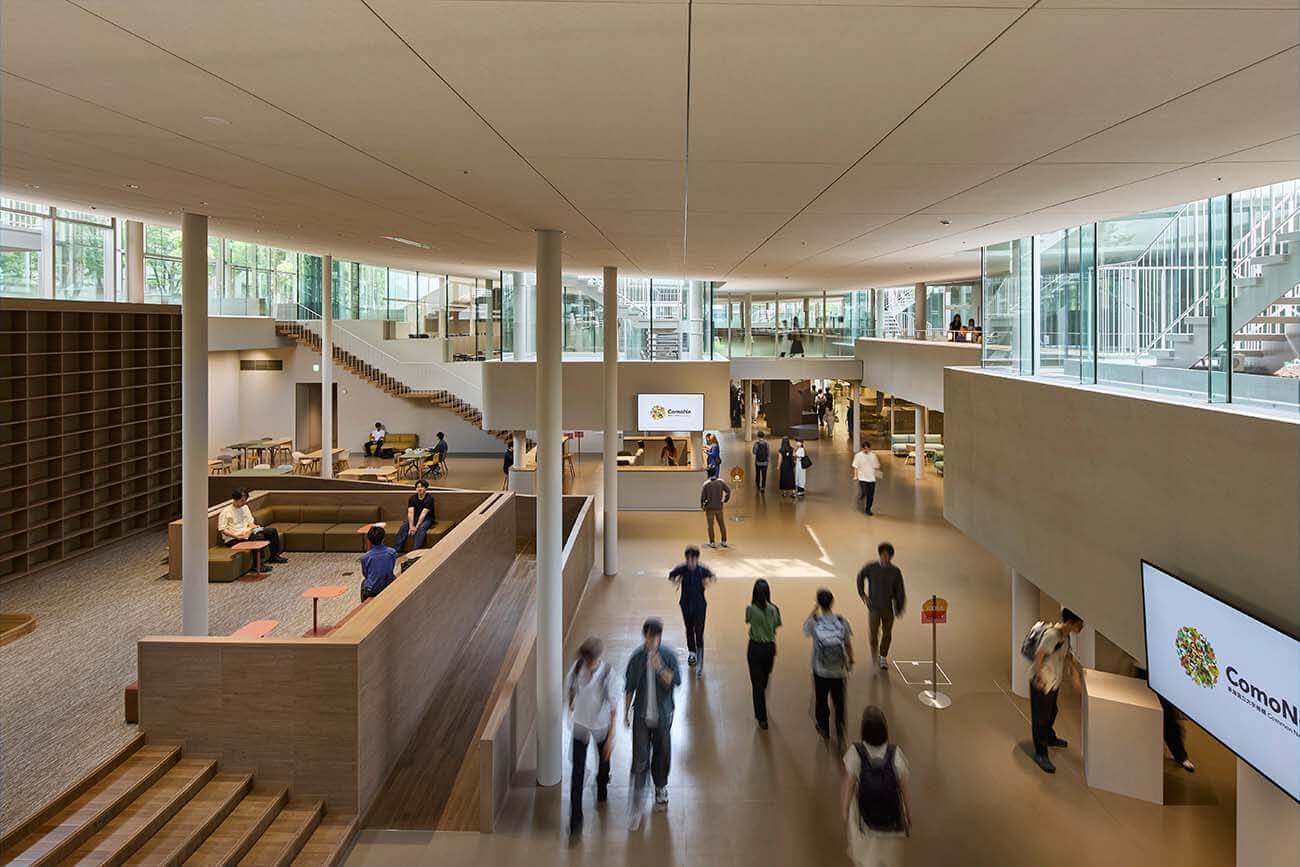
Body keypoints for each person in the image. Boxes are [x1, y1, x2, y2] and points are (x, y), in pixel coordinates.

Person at [624, 618, 682, 828]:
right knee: (640, 758)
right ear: (644, 636)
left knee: (662, 753)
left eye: (657, 637)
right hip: (641, 716)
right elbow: (629, 686)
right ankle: (637, 803)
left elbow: (676, 681)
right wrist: (625, 713)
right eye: (650, 637)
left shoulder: (667, 656)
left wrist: (660, 669)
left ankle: (660, 788)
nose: (653, 641)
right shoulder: (637, 659)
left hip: (663, 716)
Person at [842, 706, 911, 867]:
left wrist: (845, 810)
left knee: (867, 856)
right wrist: (908, 813)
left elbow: (850, 785)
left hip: (865, 820)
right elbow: (904, 789)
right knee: (888, 857)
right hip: (891, 821)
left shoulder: (856, 752)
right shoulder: (896, 753)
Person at [567, 637, 618, 837]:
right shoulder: (577, 668)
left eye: (592, 661)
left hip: (601, 726)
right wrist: (571, 706)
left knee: (604, 763)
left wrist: (611, 738)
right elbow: (571, 688)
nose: (590, 665)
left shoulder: (608, 674)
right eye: (587, 661)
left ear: (598, 658)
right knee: (577, 774)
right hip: (581, 726)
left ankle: (602, 786)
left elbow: (614, 709)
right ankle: (575, 825)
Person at [1028, 608, 1084, 774]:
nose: (1082, 626)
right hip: (1043, 681)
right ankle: (1041, 753)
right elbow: (1039, 656)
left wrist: (1074, 673)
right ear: (1071, 622)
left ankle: (1049, 737)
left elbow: (1067, 655)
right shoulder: (1052, 635)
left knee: (1052, 711)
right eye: (1080, 623)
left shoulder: (1065, 636)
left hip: (1053, 681)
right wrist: (1039, 678)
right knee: (1041, 717)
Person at [804, 588, 854, 746]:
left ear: (819, 603)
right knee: (839, 702)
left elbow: (805, 628)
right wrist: (850, 661)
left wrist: (814, 609)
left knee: (821, 700)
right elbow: (847, 644)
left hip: (820, 670)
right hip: (839, 671)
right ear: (832, 603)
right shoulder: (841, 621)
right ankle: (840, 730)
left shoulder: (815, 622)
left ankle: (824, 728)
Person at [856, 542, 906, 670]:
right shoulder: (871, 567)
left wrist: (899, 607)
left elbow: (900, 590)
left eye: (888, 555)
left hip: (888, 608)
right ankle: (874, 653)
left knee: (887, 633)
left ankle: (883, 656)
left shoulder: (895, 571)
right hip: (873, 607)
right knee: (873, 633)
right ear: (880, 555)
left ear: (891, 557)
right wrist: (863, 595)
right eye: (883, 555)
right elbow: (860, 577)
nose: (885, 557)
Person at [669, 545, 715, 671]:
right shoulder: (682, 569)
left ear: (697, 559)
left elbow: (712, 576)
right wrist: (676, 580)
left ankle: (700, 651)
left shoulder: (701, 570)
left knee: (699, 632)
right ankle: (692, 653)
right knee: (689, 629)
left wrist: (708, 581)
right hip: (685, 605)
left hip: (700, 606)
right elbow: (671, 575)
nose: (690, 562)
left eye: (693, 560)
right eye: (688, 559)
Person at [745, 579, 781, 729]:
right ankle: (762, 700)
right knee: (765, 677)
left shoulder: (750, 609)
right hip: (769, 648)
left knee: (756, 685)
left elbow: (748, 621)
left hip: (755, 648)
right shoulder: (774, 609)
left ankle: (762, 718)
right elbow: (777, 625)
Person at [217, 489, 287, 565]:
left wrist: (255, 527)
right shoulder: (225, 512)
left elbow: (250, 522)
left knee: (271, 531)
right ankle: (258, 564)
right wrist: (237, 536)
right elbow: (223, 530)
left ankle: (274, 557)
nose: (244, 503)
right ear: (235, 499)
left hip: (248, 532)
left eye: (245, 500)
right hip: (233, 538)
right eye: (242, 500)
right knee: (258, 537)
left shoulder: (245, 508)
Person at [394, 479, 436, 550]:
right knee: (404, 526)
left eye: (422, 487)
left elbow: (423, 514)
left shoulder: (429, 499)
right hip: (415, 518)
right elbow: (410, 512)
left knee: (421, 528)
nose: (419, 489)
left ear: (426, 488)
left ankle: (415, 550)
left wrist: (416, 527)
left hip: (427, 518)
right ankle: (396, 549)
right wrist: (411, 527)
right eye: (418, 487)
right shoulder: (412, 498)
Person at [359, 525, 397, 601]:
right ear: (383, 538)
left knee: (363, 583)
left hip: (373, 590)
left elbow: (366, 574)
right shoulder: (392, 552)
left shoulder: (365, 557)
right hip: (388, 584)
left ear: (369, 540)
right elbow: (391, 567)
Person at [851, 440, 883, 516]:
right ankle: (862, 495)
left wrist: (878, 473)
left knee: (871, 495)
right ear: (862, 448)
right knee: (865, 491)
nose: (866, 450)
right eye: (864, 448)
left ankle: (868, 509)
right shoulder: (858, 456)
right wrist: (855, 475)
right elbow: (855, 466)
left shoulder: (873, 455)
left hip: (871, 478)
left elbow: (877, 466)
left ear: (869, 448)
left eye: (867, 448)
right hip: (862, 477)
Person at [700, 475, 731, 550]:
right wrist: (725, 500)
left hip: (710, 508)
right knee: (721, 524)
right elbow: (728, 491)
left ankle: (712, 542)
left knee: (710, 526)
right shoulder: (721, 482)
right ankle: (724, 541)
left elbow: (703, 497)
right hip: (719, 507)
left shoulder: (706, 484)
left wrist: (703, 506)